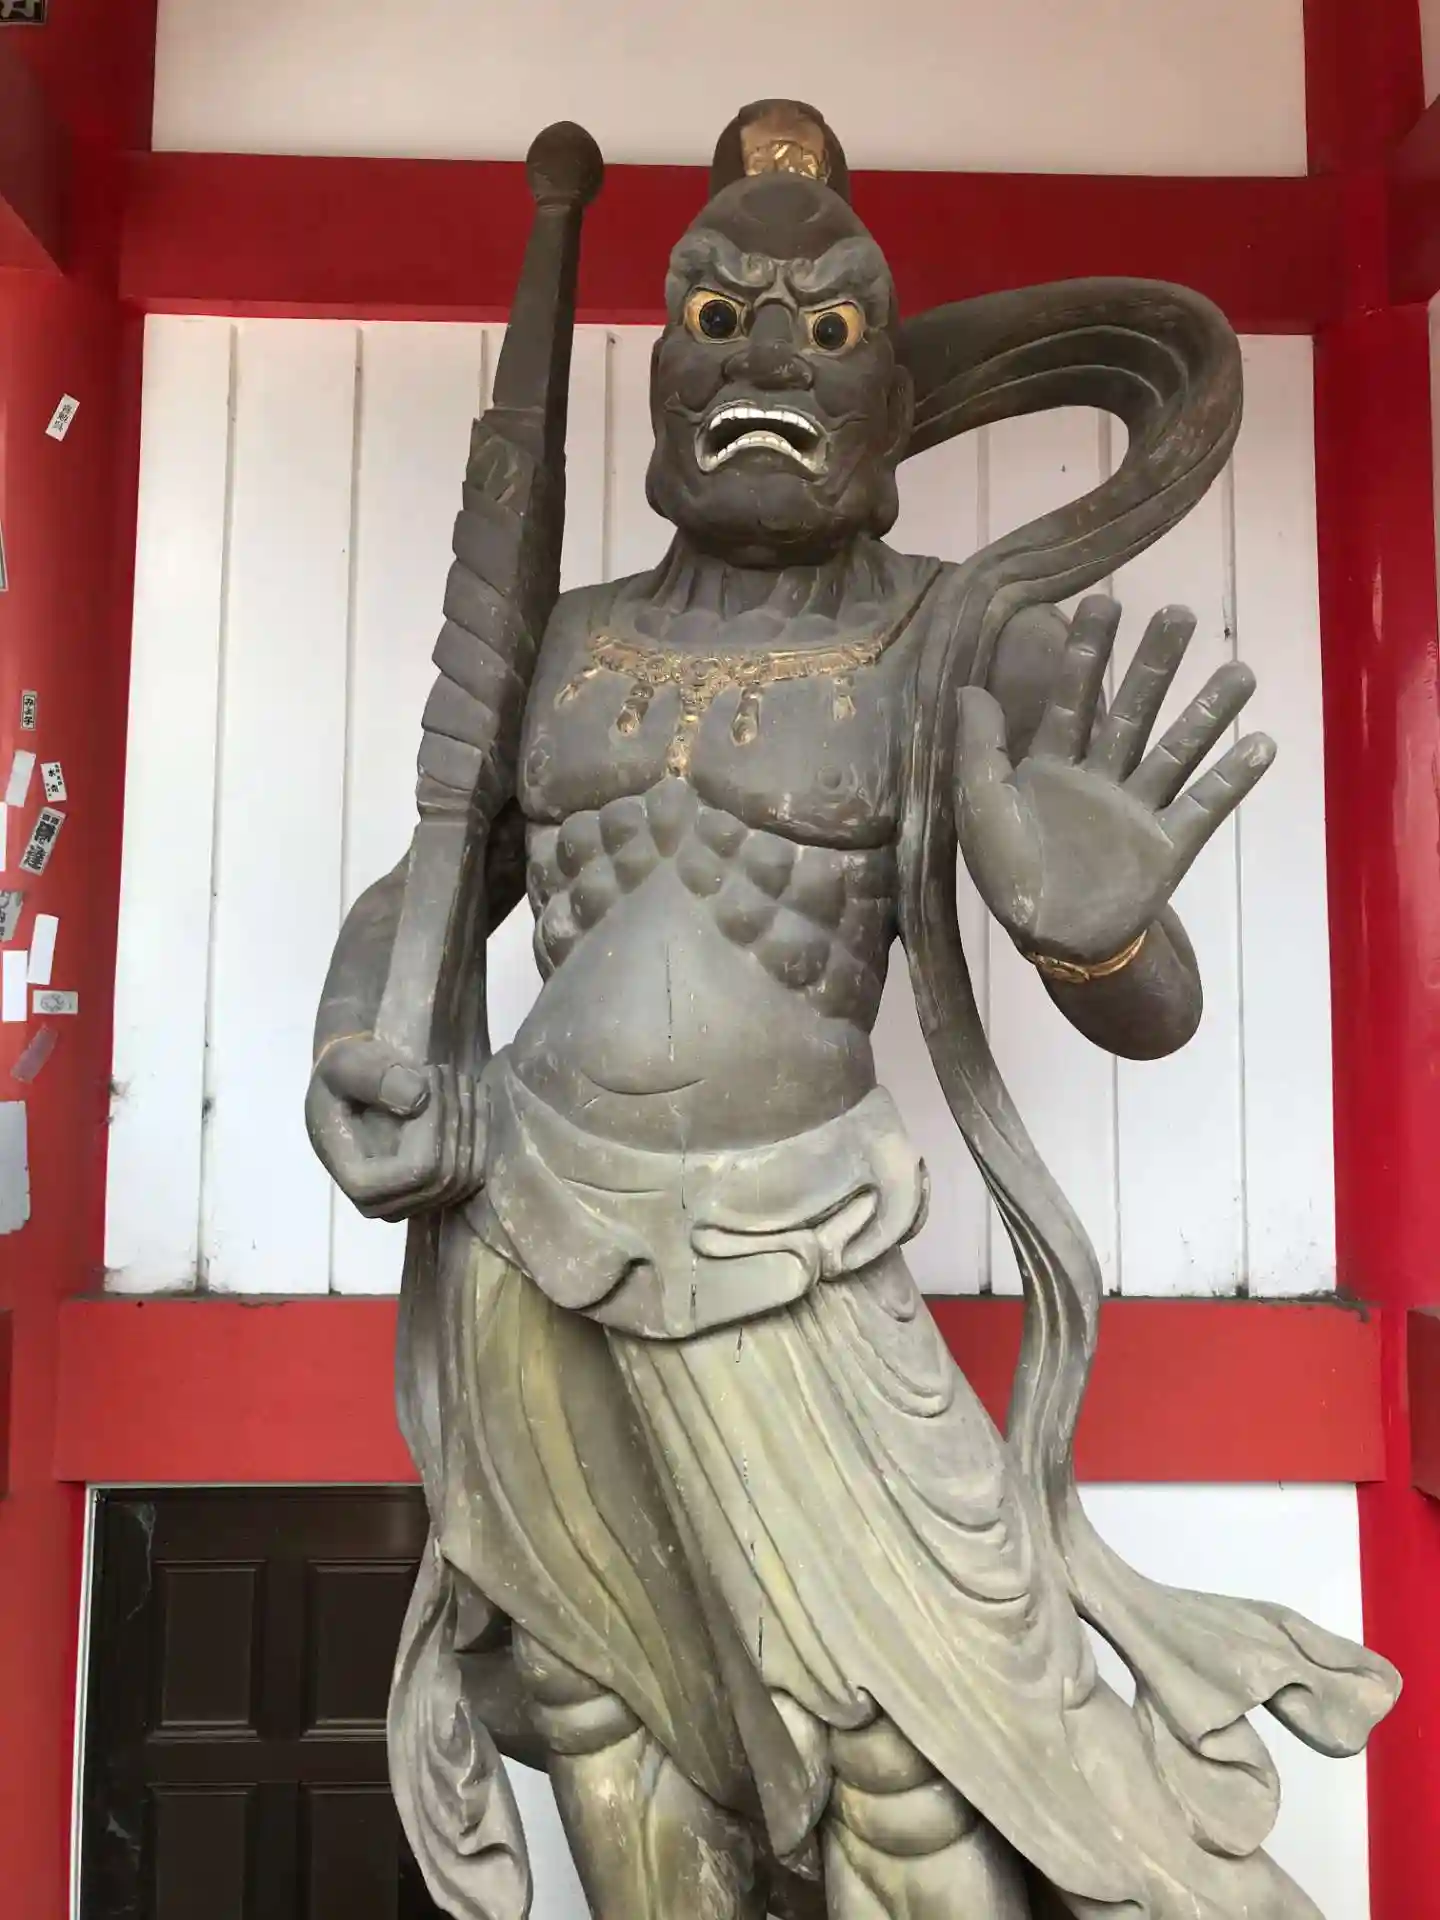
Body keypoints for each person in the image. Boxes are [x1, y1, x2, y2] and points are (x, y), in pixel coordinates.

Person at [307, 101, 1398, 1920]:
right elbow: (419, 900)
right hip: (529, 1228)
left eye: (824, 330)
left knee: (909, 1757)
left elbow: (1154, 1013)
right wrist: (362, 1044)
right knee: (603, 1714)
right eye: (714, 317)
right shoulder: (562, 642)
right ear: (657, 374)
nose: (762, 363)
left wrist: (1100, 939)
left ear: (896, 399)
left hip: (796, 1250)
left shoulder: (947, 640)